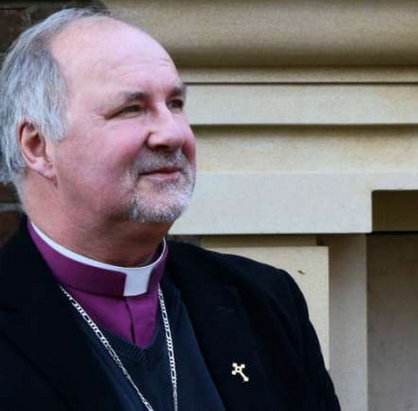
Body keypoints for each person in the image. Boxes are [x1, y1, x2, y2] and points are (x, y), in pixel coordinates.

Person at [0, 8, 340, 411]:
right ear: (38, 146)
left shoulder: (263, 299)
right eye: (131, 108)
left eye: (175, 104)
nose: (174, 133)